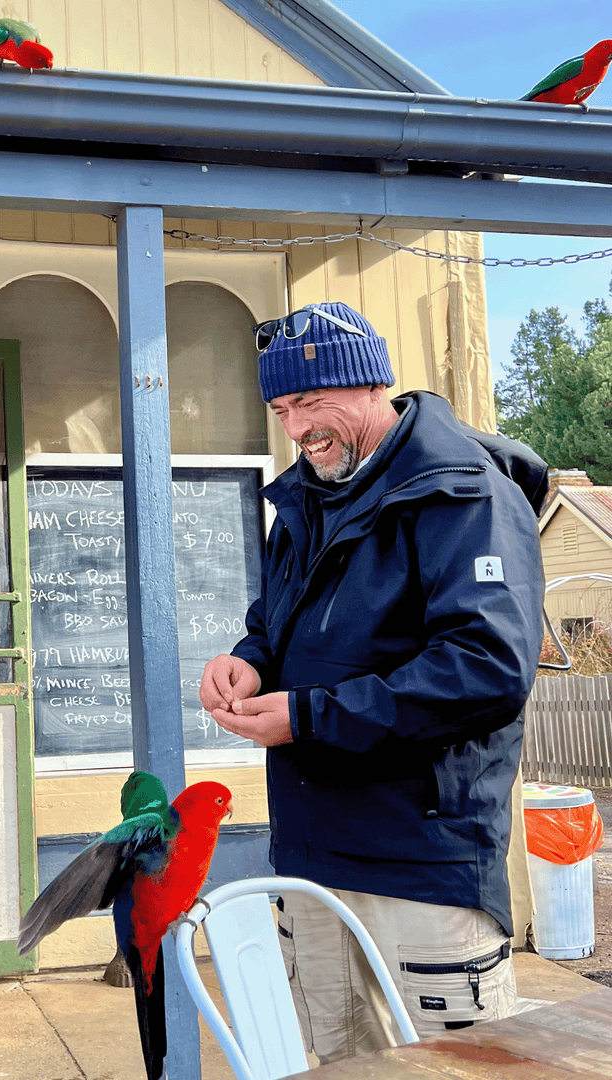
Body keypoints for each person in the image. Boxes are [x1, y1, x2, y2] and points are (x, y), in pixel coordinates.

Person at [200, 302, 546, 1064]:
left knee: (460, 1071)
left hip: (425, 865)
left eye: (310, 402)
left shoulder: (466, 493)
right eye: (281, 410)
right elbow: (275, 625)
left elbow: (487, 667)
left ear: (371, 386)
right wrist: (248, 661)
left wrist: (309, 718)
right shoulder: (302, 500)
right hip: (312, 859)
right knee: (340, 1065)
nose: (297, 429)